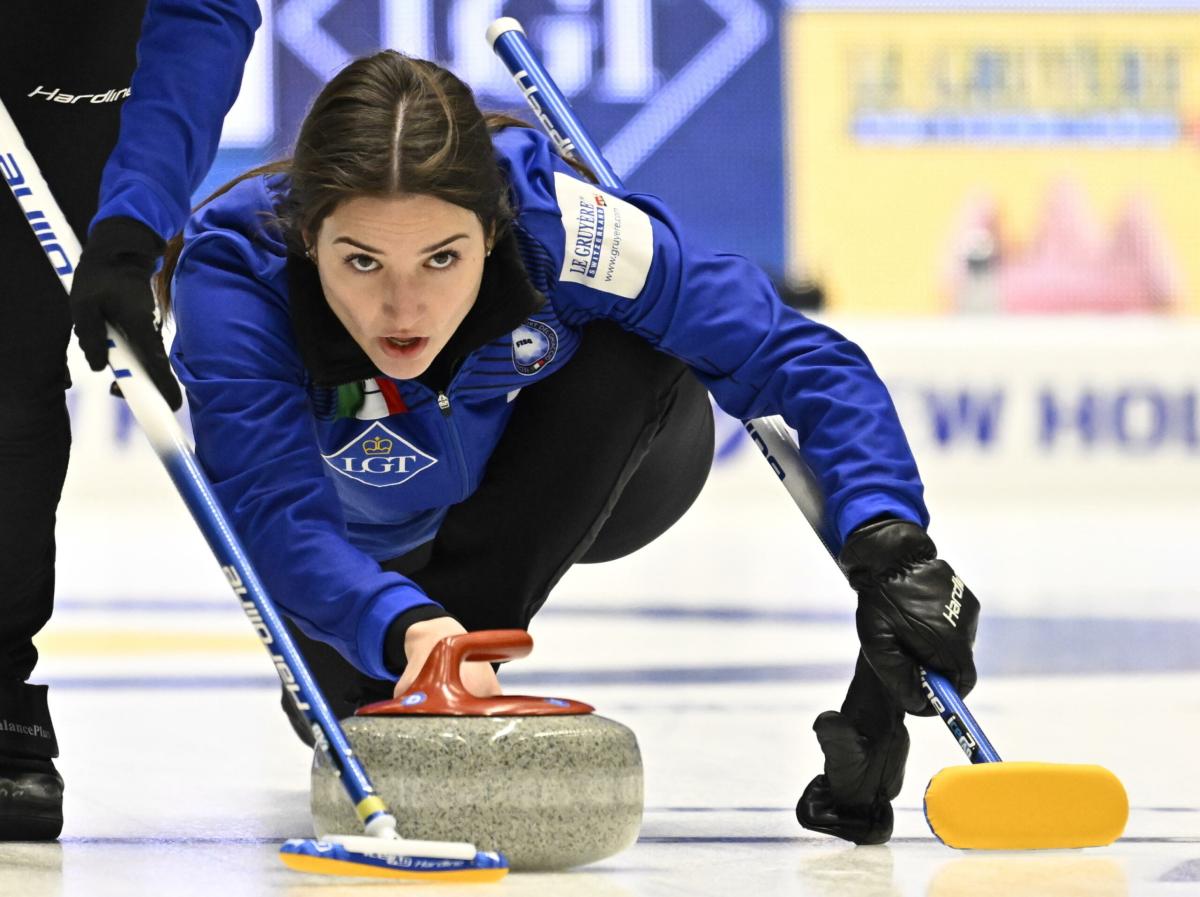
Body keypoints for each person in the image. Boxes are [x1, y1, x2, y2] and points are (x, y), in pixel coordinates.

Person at [161, 50, 981, 846]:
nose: (402, 306)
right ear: (308, 237)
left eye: (443, 257)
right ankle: (414, 643)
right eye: (362, 261)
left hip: (617, 487)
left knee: (646, 338)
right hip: (360, 550)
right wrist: (400, 625)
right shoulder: (234, 277)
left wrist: (888, 542)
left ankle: (459, 637)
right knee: (359, 722)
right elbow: (276, 516)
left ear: (494, 227)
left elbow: (798, 356)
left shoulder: (562, 226)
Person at [0, 1, 260, 840]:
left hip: (63, 73)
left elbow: (200, 18)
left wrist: (130, 231)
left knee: (6, 366)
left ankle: (2, 708)